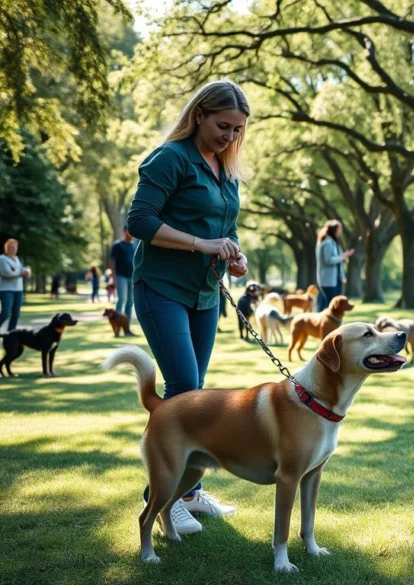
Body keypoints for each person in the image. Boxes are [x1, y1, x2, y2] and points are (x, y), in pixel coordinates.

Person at [125, 79, 250, 536]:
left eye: (237, 130)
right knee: (182, 389)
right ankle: (162, 499)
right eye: (223, 126)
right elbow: (140, 221)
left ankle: (190, 493)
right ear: (199, 115)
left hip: (205, 295)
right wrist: (202, 244)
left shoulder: (225, 168)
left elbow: (225, 228)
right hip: (161, 288)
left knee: (196, 396)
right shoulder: (169, 158)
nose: (229, 137)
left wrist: (235, 255)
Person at [314, 219, 354, 311]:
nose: (340, 232)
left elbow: (338, 260)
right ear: (333, 230)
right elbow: (328, 260)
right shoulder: (327, 243)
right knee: (328, 305)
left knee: (327, 304)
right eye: (338, 230)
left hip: (334, 279)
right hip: (327, 280)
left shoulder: (333, 243)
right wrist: (343, 256)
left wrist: (342, 276)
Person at [109, 226, 139, 323]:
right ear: (125, 232)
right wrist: (113, 277)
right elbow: (112, 261)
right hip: (120, 276)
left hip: (132, 277)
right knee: (122, 299)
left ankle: (127, 325)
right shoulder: (117, 245)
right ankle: (117, 323)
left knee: (130, 302)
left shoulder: (134, 245)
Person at [0, 238, 30, 332]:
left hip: (18, 290)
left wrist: (26, 272)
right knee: (6, 313)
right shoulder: (2, 259)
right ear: (6, 248)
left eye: (15, 247)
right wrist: (21, 273)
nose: (13, 249)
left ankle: (11, 334)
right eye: (11, 247)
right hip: (6, 290)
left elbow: (25, 271)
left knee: (16, 314)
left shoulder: (17, 259)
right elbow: (7, 273)